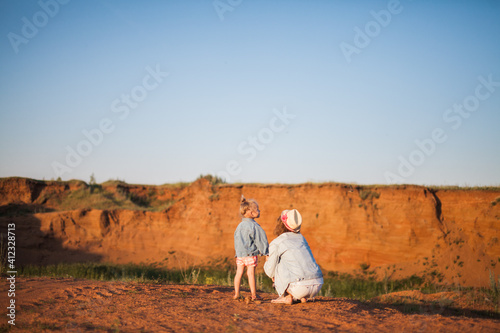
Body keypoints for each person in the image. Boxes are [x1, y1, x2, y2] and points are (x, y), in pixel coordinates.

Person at [264, 209, 323, 304]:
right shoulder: (302, 238)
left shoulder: (277, 242)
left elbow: (270, 272)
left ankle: (287, 296)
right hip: (317, 284)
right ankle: (301, 297)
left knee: (277, 262)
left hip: (299, 287)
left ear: (280, 224)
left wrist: (267, 260)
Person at [233, 196, 269, 300]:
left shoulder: (239, 226)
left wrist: (238, 253)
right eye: (257, 209)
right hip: (250, 255)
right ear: (251, 213)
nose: (259, 211)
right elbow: (261, 240)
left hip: (240, 255)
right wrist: (265, 252)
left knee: (238, 273)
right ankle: (253, 295)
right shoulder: (254, 226)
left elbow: (237, 240)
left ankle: (236, 293)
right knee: (251, 273)